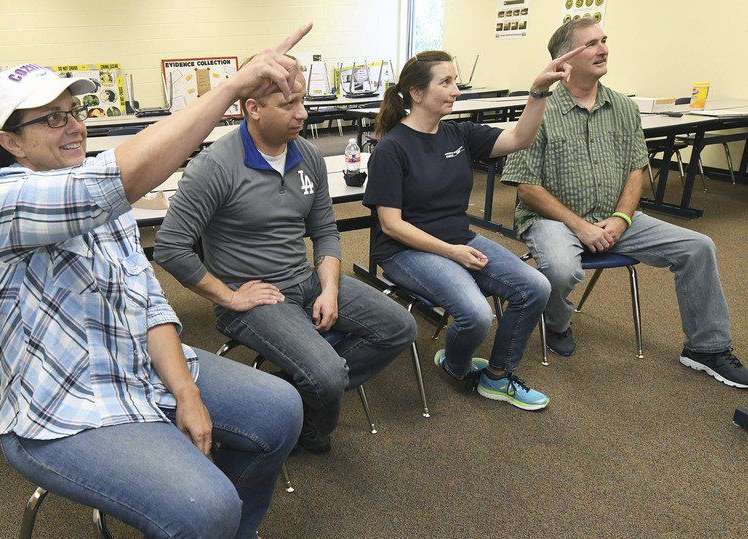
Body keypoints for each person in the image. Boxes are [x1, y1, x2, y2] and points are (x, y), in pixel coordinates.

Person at [0, 24, 313, 539]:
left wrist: (187, 392)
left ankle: (230, 534)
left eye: (73, 111)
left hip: (139, 371)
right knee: (204, 510)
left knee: (280, 409)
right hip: (64, 410)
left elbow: (147, 302)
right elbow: (108, 185)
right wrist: (229, 89)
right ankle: (207, 529)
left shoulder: (95, 188)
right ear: (11, 142)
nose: (73, 125)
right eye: (51, 118)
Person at [154, 56, 417, 454]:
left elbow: (325, 232)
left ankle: (294, 393)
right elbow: (170, 246)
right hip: (252, 298)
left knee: (399, 327)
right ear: (253, 109)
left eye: (303, 100)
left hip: (305, 280)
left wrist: (329, 290)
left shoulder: (307, 155)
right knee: (327, 375)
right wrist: (229, 297)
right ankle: (311, 423)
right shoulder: (214, 167)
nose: (303, 113)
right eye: (288, 104)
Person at [501, 17, 748, 388]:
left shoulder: (623, 108)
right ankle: (557, 321)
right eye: (591, 44)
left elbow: (635, 171)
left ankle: (706, 349)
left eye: (604, 40)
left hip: (614, 217)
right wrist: (580, 226)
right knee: (562, 269)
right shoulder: (541, 111)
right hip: (553, 219)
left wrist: (620, 218)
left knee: (699, 247)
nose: (603, 49)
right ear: (564, 59)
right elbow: (527, 188)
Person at [362, 48, 583, 411]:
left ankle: (497, 377)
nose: (455, 90)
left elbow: (519, 139)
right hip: (405, 251)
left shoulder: (459, 134)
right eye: (446, 82)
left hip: (458, 239)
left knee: (536, 287)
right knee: (478, 315)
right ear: (416, 93)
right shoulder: (392, 148)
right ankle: (456, 364)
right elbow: (392, 225)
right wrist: (452, 253)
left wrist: (539, 92)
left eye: (456, 81)